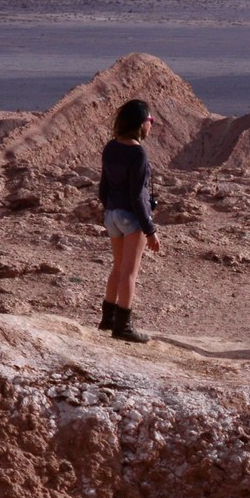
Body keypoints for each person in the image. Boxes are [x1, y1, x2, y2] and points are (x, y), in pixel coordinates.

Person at [97, 98, 159, 342]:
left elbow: (103, 189)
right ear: (140, 123)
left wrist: (111, 210)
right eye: (150, 120)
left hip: (112, 215)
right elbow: (137, 197)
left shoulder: (110, 147)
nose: (151, 125)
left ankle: (107, 320)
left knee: (117, 268)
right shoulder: (138, 153)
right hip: (131, 218)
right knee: (130, 273)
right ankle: (123, 326)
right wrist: (150, 229)